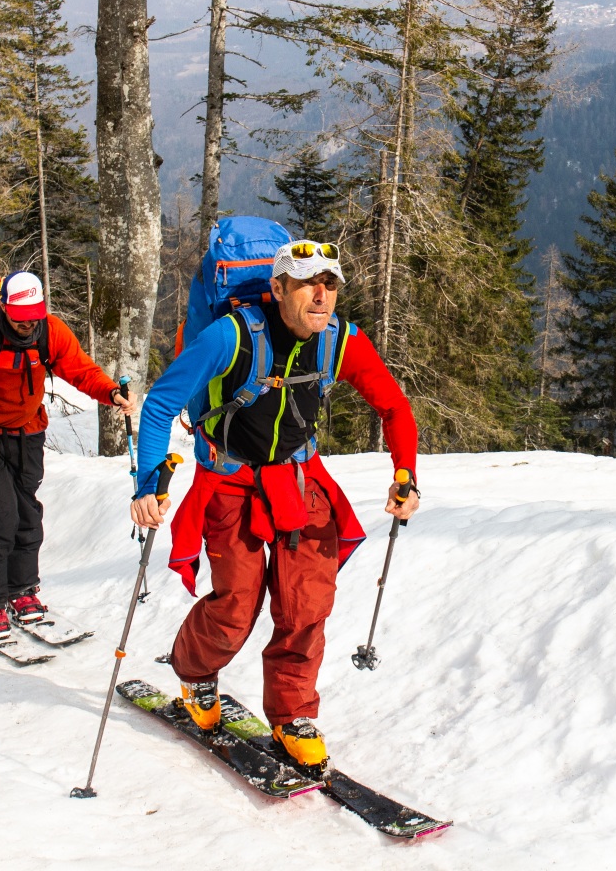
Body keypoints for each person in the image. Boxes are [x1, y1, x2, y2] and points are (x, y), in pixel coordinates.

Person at [130, 239, 419, 769]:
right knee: (236, 607)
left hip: (298, 479)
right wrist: (149, 482)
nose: (321, 295)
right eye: (309, 283)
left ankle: (291, 715)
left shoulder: (340, 341)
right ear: (278, 287)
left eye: (330, 284)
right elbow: (162, 403)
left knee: (306, 604)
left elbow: (394, 407)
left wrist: (405, 475)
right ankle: (195, 675)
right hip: (230, 479)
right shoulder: (230, 336)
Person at [0, 270, 137, 639]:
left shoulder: (50, 330)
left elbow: (80, 370)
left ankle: (22, 590)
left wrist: (110, 393)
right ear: (4, 308)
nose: (28, 325)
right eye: (20, 318)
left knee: (28, 514)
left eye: (34, 317)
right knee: (1, 517)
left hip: (28, 433)